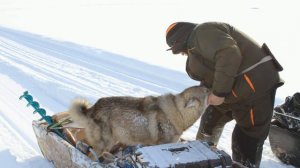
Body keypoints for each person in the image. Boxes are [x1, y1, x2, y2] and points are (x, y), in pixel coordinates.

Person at [165, 21, 284, 167]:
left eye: (180, 50)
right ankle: (203, 158)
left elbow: (229, 53)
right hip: (235, 90)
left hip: (255, 87)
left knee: (246, 138)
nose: (182, 54)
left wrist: (219, 93)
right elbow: (213, 71)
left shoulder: (202, 32)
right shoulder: (199, 44)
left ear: (180, 40)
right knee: (210, 121)